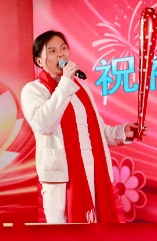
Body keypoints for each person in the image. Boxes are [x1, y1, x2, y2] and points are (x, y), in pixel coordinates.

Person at [21, 31, 137, 224]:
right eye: (52, 51)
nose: (60, 54)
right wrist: (66, 83)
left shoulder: (82, 90)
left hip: (93, 168)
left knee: (95, 231)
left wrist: (123, 132)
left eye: (63, 48)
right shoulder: (33, 90)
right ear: (39, 61)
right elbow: (43, 125)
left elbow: (97, 131)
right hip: (61, 176)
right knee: (63, 235)